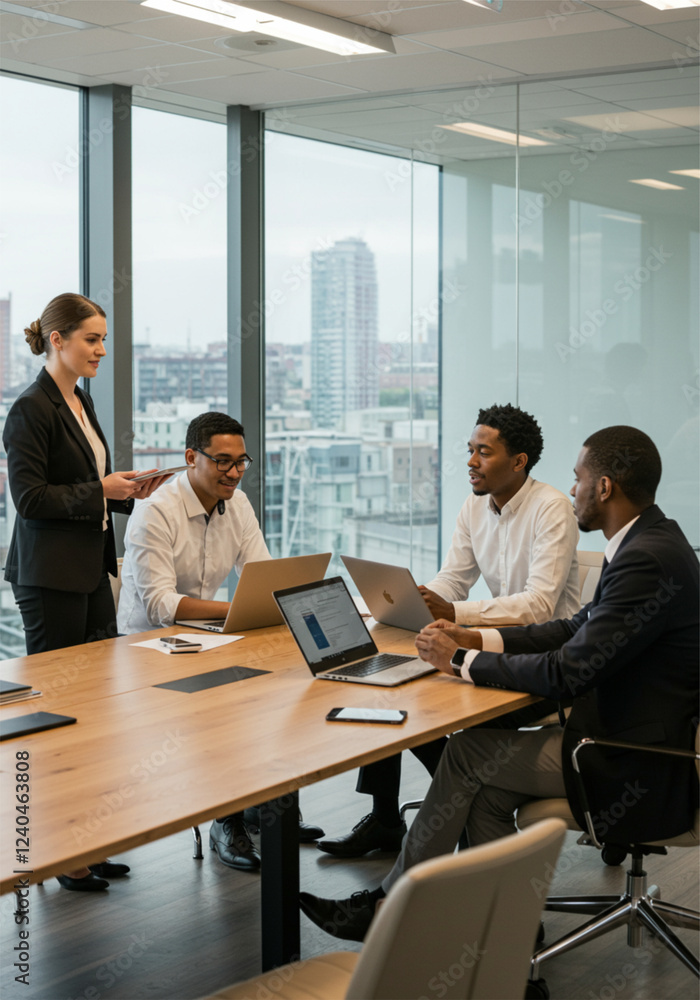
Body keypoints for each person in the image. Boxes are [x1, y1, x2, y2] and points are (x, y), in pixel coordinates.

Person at [299, 425, 699, 941]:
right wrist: (477, 637)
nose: (572, 488)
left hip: (634, 759)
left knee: (466, 753)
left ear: (604, 487)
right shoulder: (653, 540)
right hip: (638, 738)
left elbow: (567, 670)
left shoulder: (643, 556)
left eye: (578, 479)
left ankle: (391, 909)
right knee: (485, 794)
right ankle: (509, 940)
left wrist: (461, 660)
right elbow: (574, 629)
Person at [317, 403, 579, 858]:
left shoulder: (552, 508)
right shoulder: (474, 508)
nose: (471, 462)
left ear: (518, 462)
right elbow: (453, 580)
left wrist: (454, 611)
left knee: (428, 716)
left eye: (484, 452)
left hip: (543, 663)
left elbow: (538, 605)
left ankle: (461, 813)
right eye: (470, 450)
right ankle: (385, 818)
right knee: (391, 691)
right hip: (489, 648)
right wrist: (420, 601)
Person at [3, 292, 169, 892]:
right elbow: (30, 500)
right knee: (52, 716)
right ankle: (51, 853)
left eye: (103, 339)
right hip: (49, 577)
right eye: (92, 339)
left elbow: (86, 488)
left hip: (90, 570)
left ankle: (86, 844)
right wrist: (101, 488)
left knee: (96, 712)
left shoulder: (80, 401)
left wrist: (126, 493)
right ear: (58, 340)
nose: (102, 349)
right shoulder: (30, 409)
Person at [117, 411, 324, 870]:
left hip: (204, 638)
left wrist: (269, 601)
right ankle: (225, 822)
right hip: (146, 651)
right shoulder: (155, 511)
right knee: (225, 702)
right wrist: (239, 610)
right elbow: (161, 607)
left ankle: (268, 810)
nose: (233, 473)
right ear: (192, 458)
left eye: (241, 462)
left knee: (281, 684)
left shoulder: (239, 505)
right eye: (222, 462)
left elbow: (262, 576)